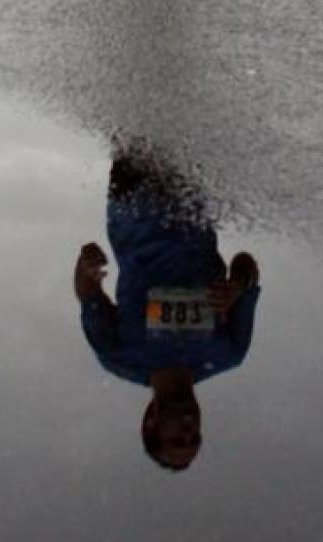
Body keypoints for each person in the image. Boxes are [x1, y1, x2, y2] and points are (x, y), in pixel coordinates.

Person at [74, 141, 260, 472]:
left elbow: (88, 294)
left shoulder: (118, 357)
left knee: (139, 115)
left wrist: (86, 264)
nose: (190, 431)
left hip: (132, 205)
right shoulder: (228, 352)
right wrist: (238, 286)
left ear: (151, 423)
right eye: (195, 438)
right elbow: (245, 262)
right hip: (191, 201)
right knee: (185, 113)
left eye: (178, 439)